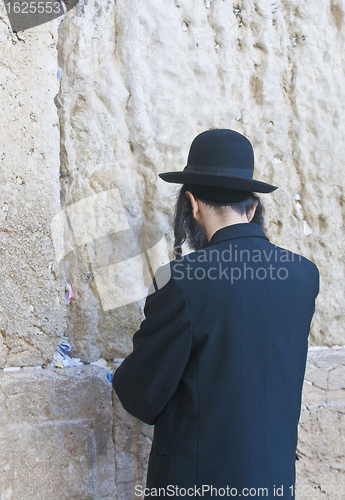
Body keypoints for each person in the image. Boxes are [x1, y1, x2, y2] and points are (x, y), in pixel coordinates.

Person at [112, 129, 320, 499]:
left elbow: (141, 394)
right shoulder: (304, 275)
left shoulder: (181, 281)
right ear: (253, 207)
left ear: (191, 204)